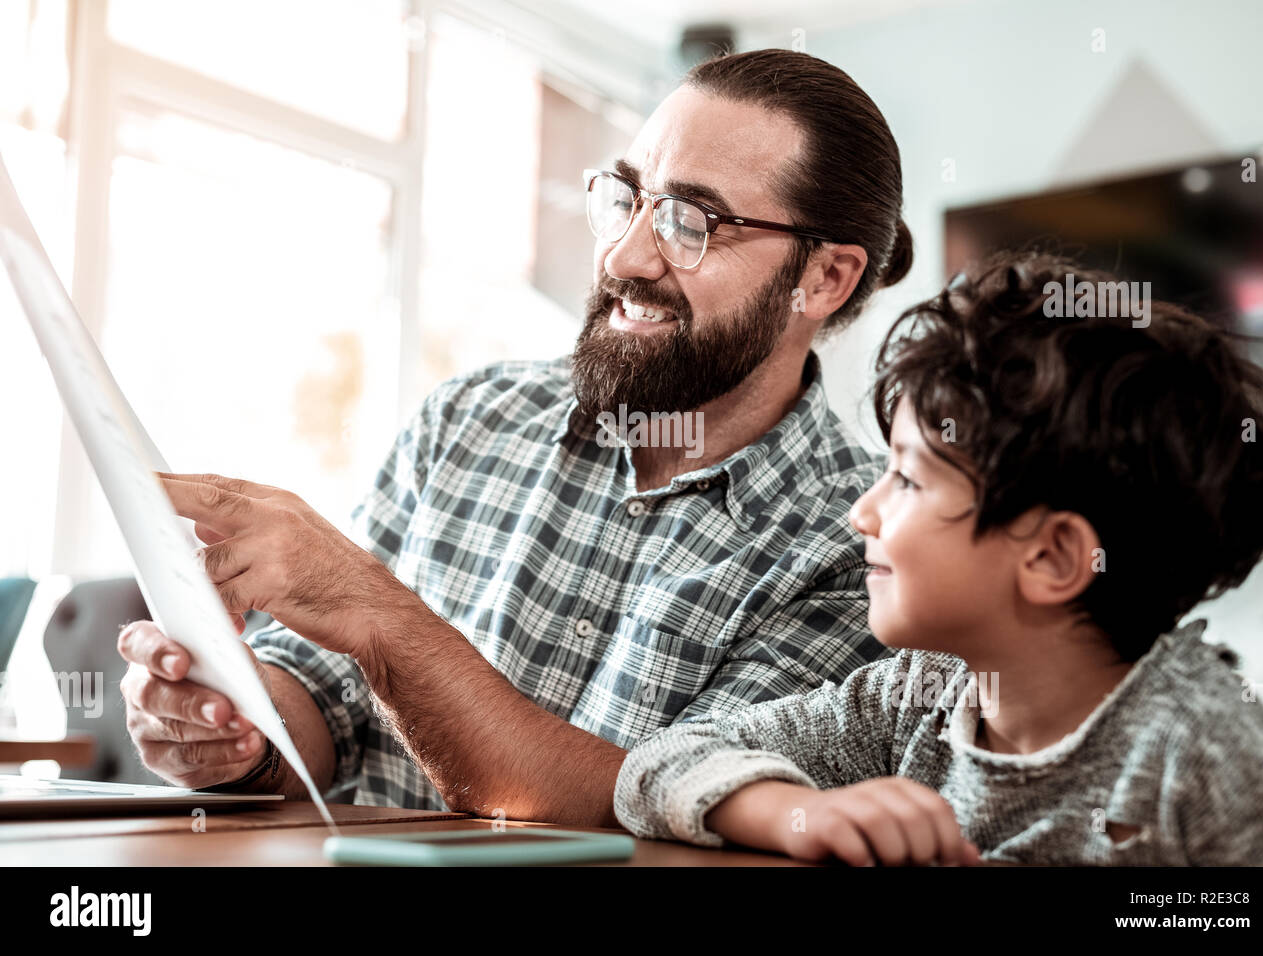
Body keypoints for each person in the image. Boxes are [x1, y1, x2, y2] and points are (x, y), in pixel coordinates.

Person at [115, 48, 914, 824]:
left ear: (824, 278)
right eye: (629, 199)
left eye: (689, 222)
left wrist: (380, 616)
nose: (627, 256)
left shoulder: (867, 547)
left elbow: (663, 806)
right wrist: (238, 731)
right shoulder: (472, 415)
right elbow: (326, 702)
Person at [614, 252, 1263, 864]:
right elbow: (655, 764)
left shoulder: (1217, 765)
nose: (861, 513)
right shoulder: (920, 696)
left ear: (1055, 558)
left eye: (908, 480)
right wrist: (800, 813)